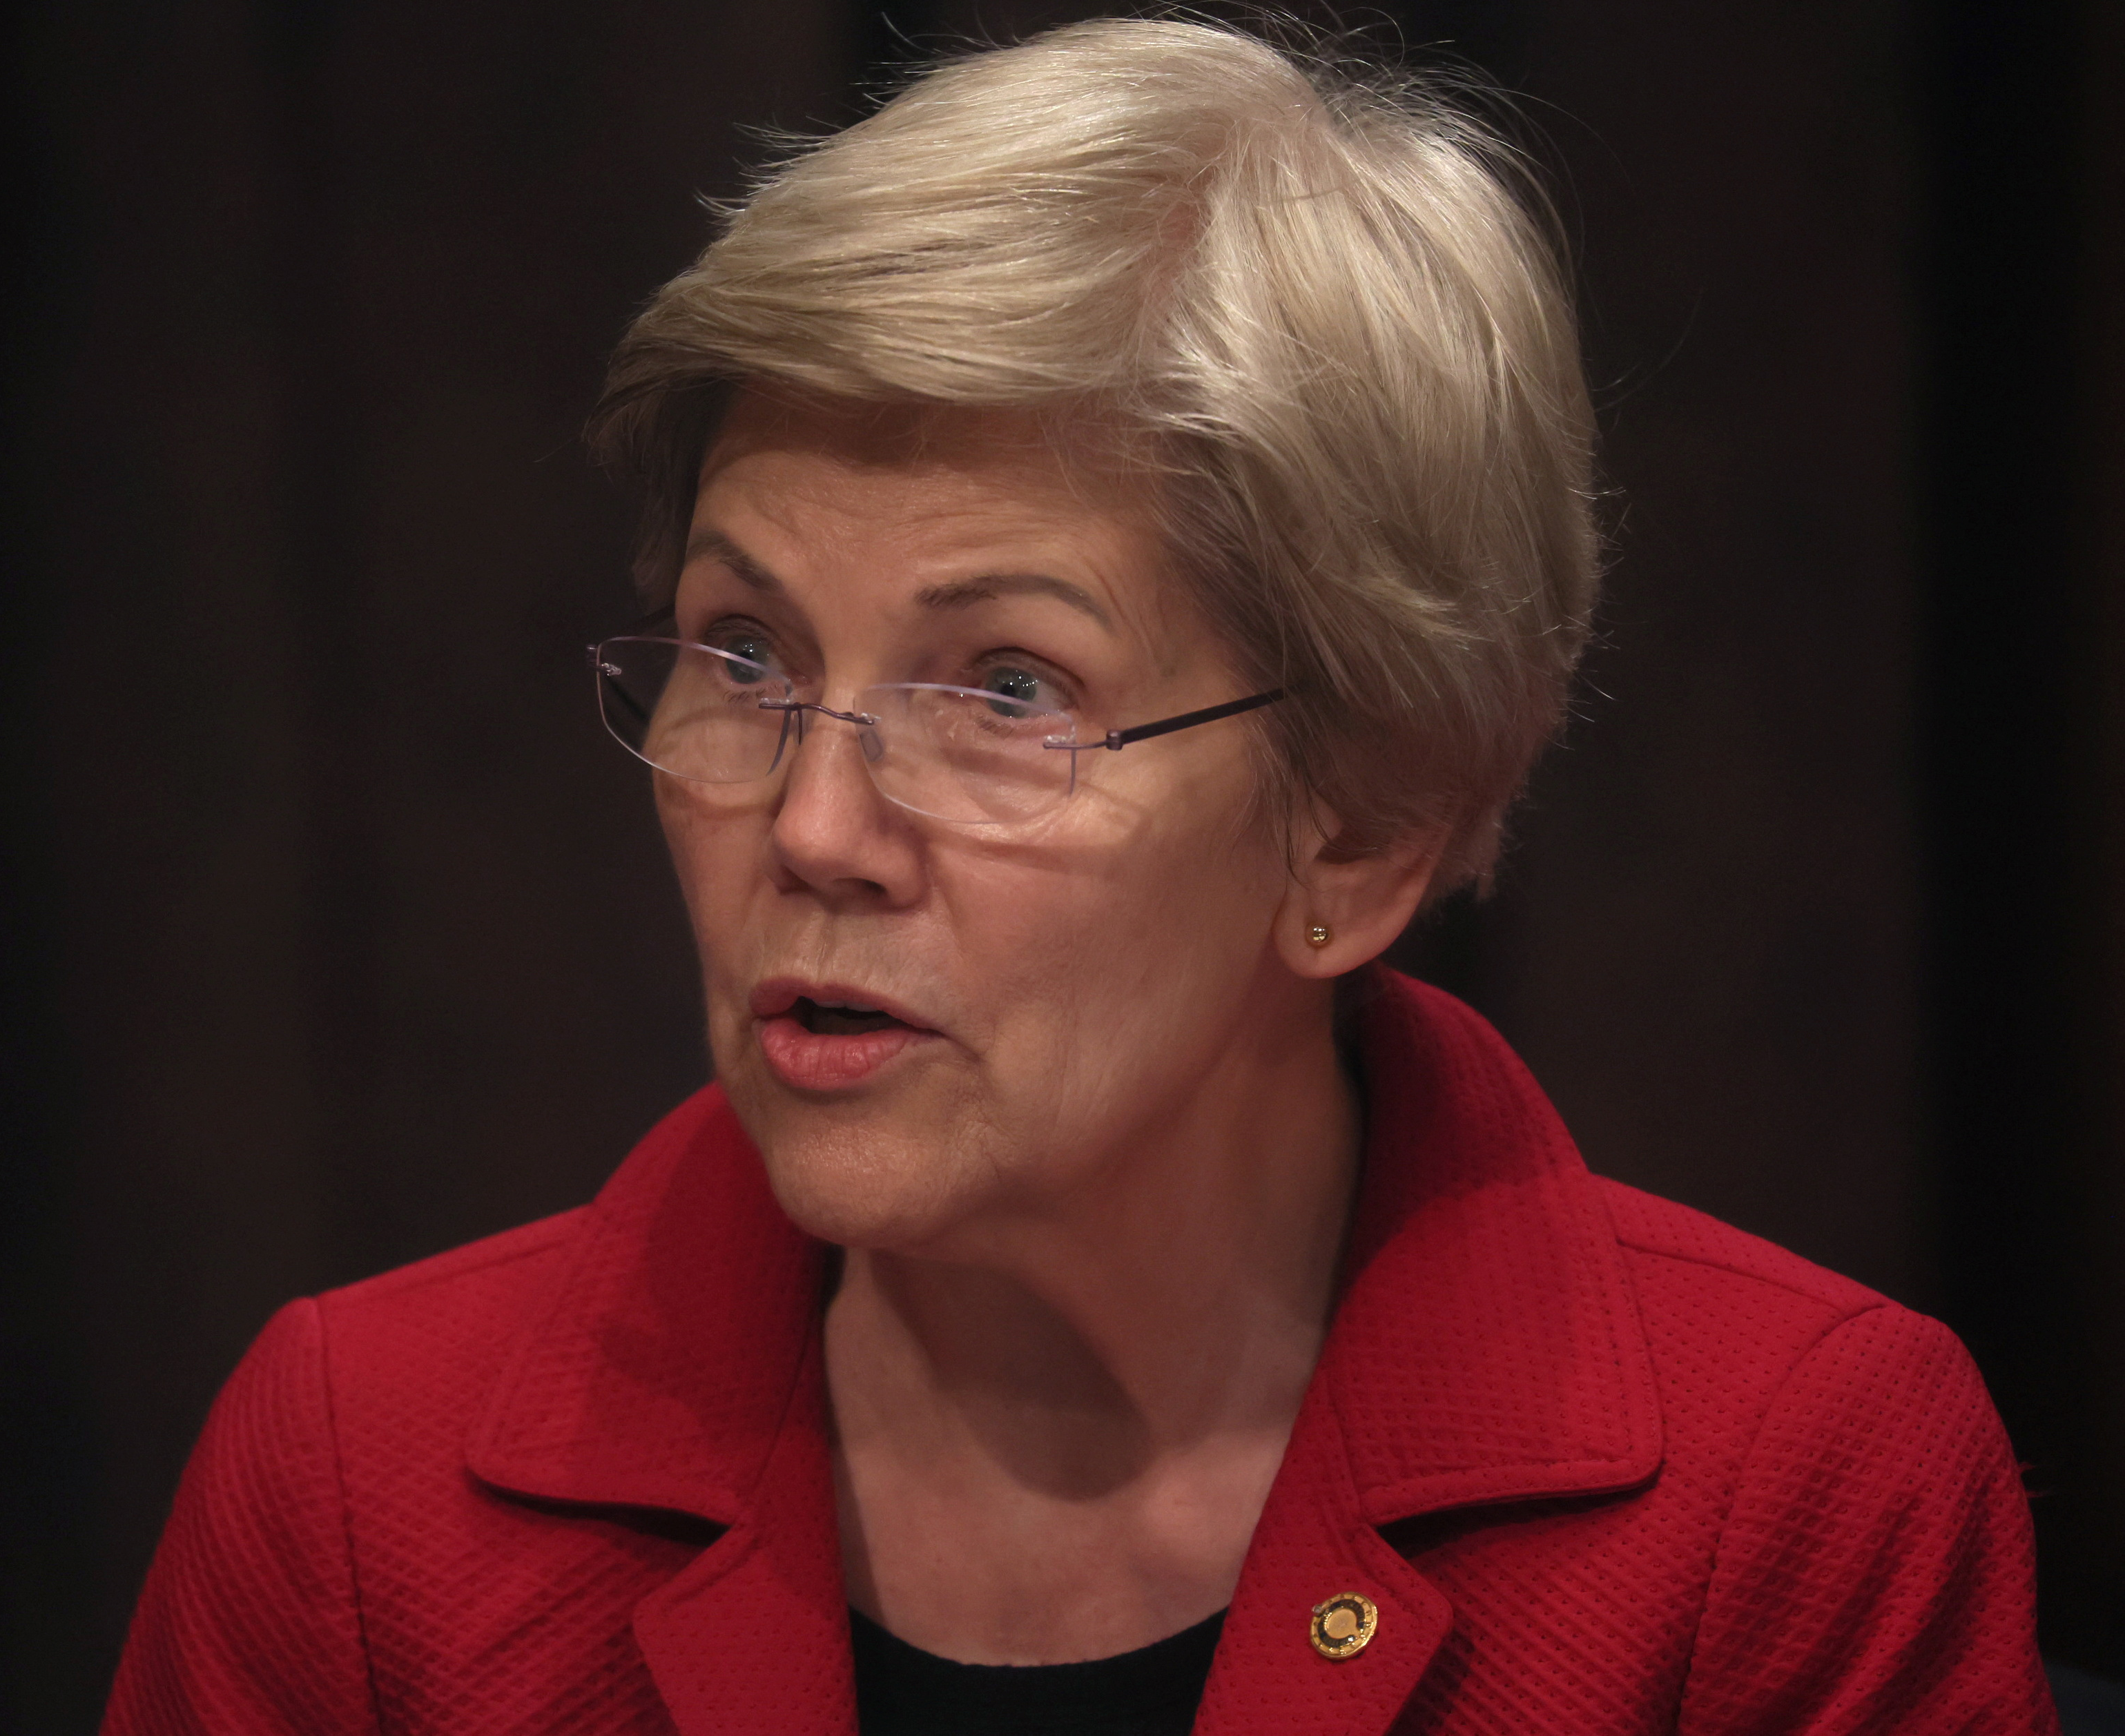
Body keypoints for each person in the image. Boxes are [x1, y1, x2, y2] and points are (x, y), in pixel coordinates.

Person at [100, 20, 2056, 1734]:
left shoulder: (1780, 1495)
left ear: (1354, 825)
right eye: (744, 652)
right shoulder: (362, 1482)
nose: (810, 829)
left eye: (1005, 688)